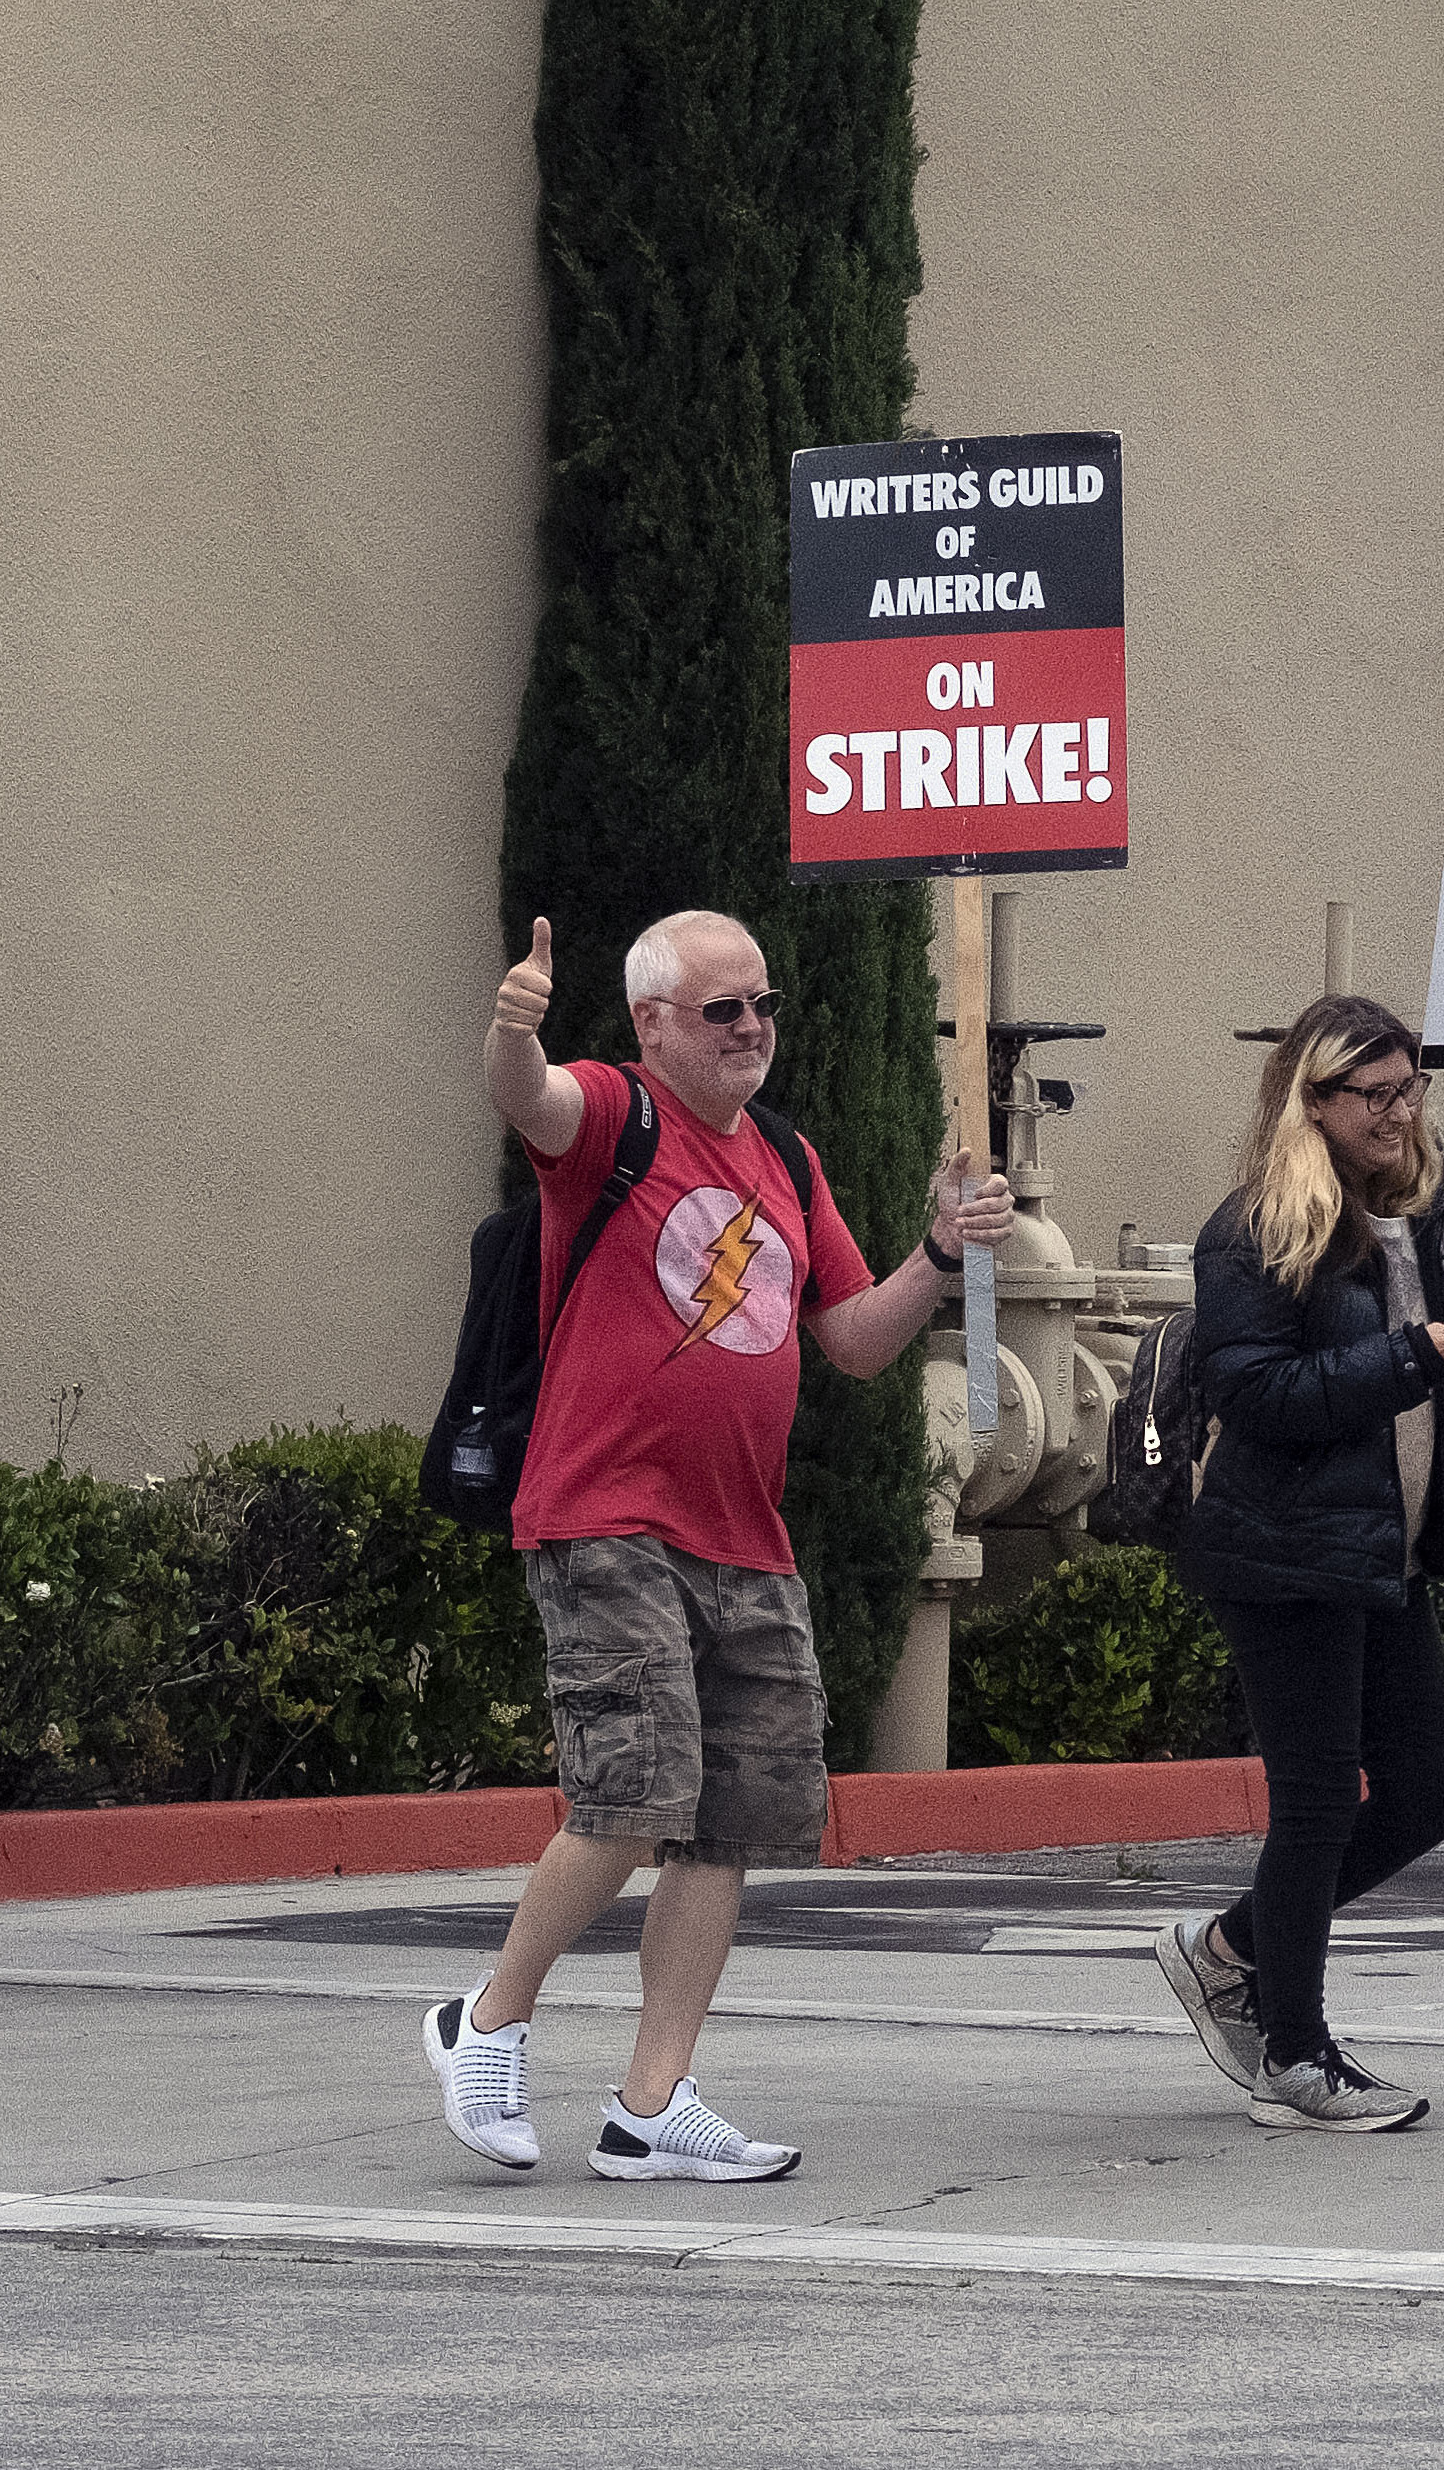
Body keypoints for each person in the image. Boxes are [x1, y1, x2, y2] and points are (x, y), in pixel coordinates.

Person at [424, 910, 1012, 2185]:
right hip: (605, 1515)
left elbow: (851, 1339)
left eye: (763, 1006)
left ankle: (652, 2102)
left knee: (729, 1821)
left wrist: (936, 1252)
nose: (753, 1030)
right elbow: (521, 1097)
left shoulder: (788, 1164)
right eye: (721, 1011)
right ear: (652, 1025)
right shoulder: (611, 1115)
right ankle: (486, 2022)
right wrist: (510, 1029)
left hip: (745, 1539)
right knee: (633, 1795)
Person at [1153, 995, 1444, 2132]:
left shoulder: (1402, 1221)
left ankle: (1229, 1947)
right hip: (1282, 1554)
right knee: (1320, 1801)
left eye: (1411, 1086)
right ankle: (1296, 2051)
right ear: (1310, 1101)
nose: (1399, 1111)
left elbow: (1427, 1383)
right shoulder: (1257, 1230)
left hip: (1381, 1554)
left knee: (1430, 1793)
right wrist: (1410, 1356)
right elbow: (1260, 1396)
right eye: (1372, 1093)